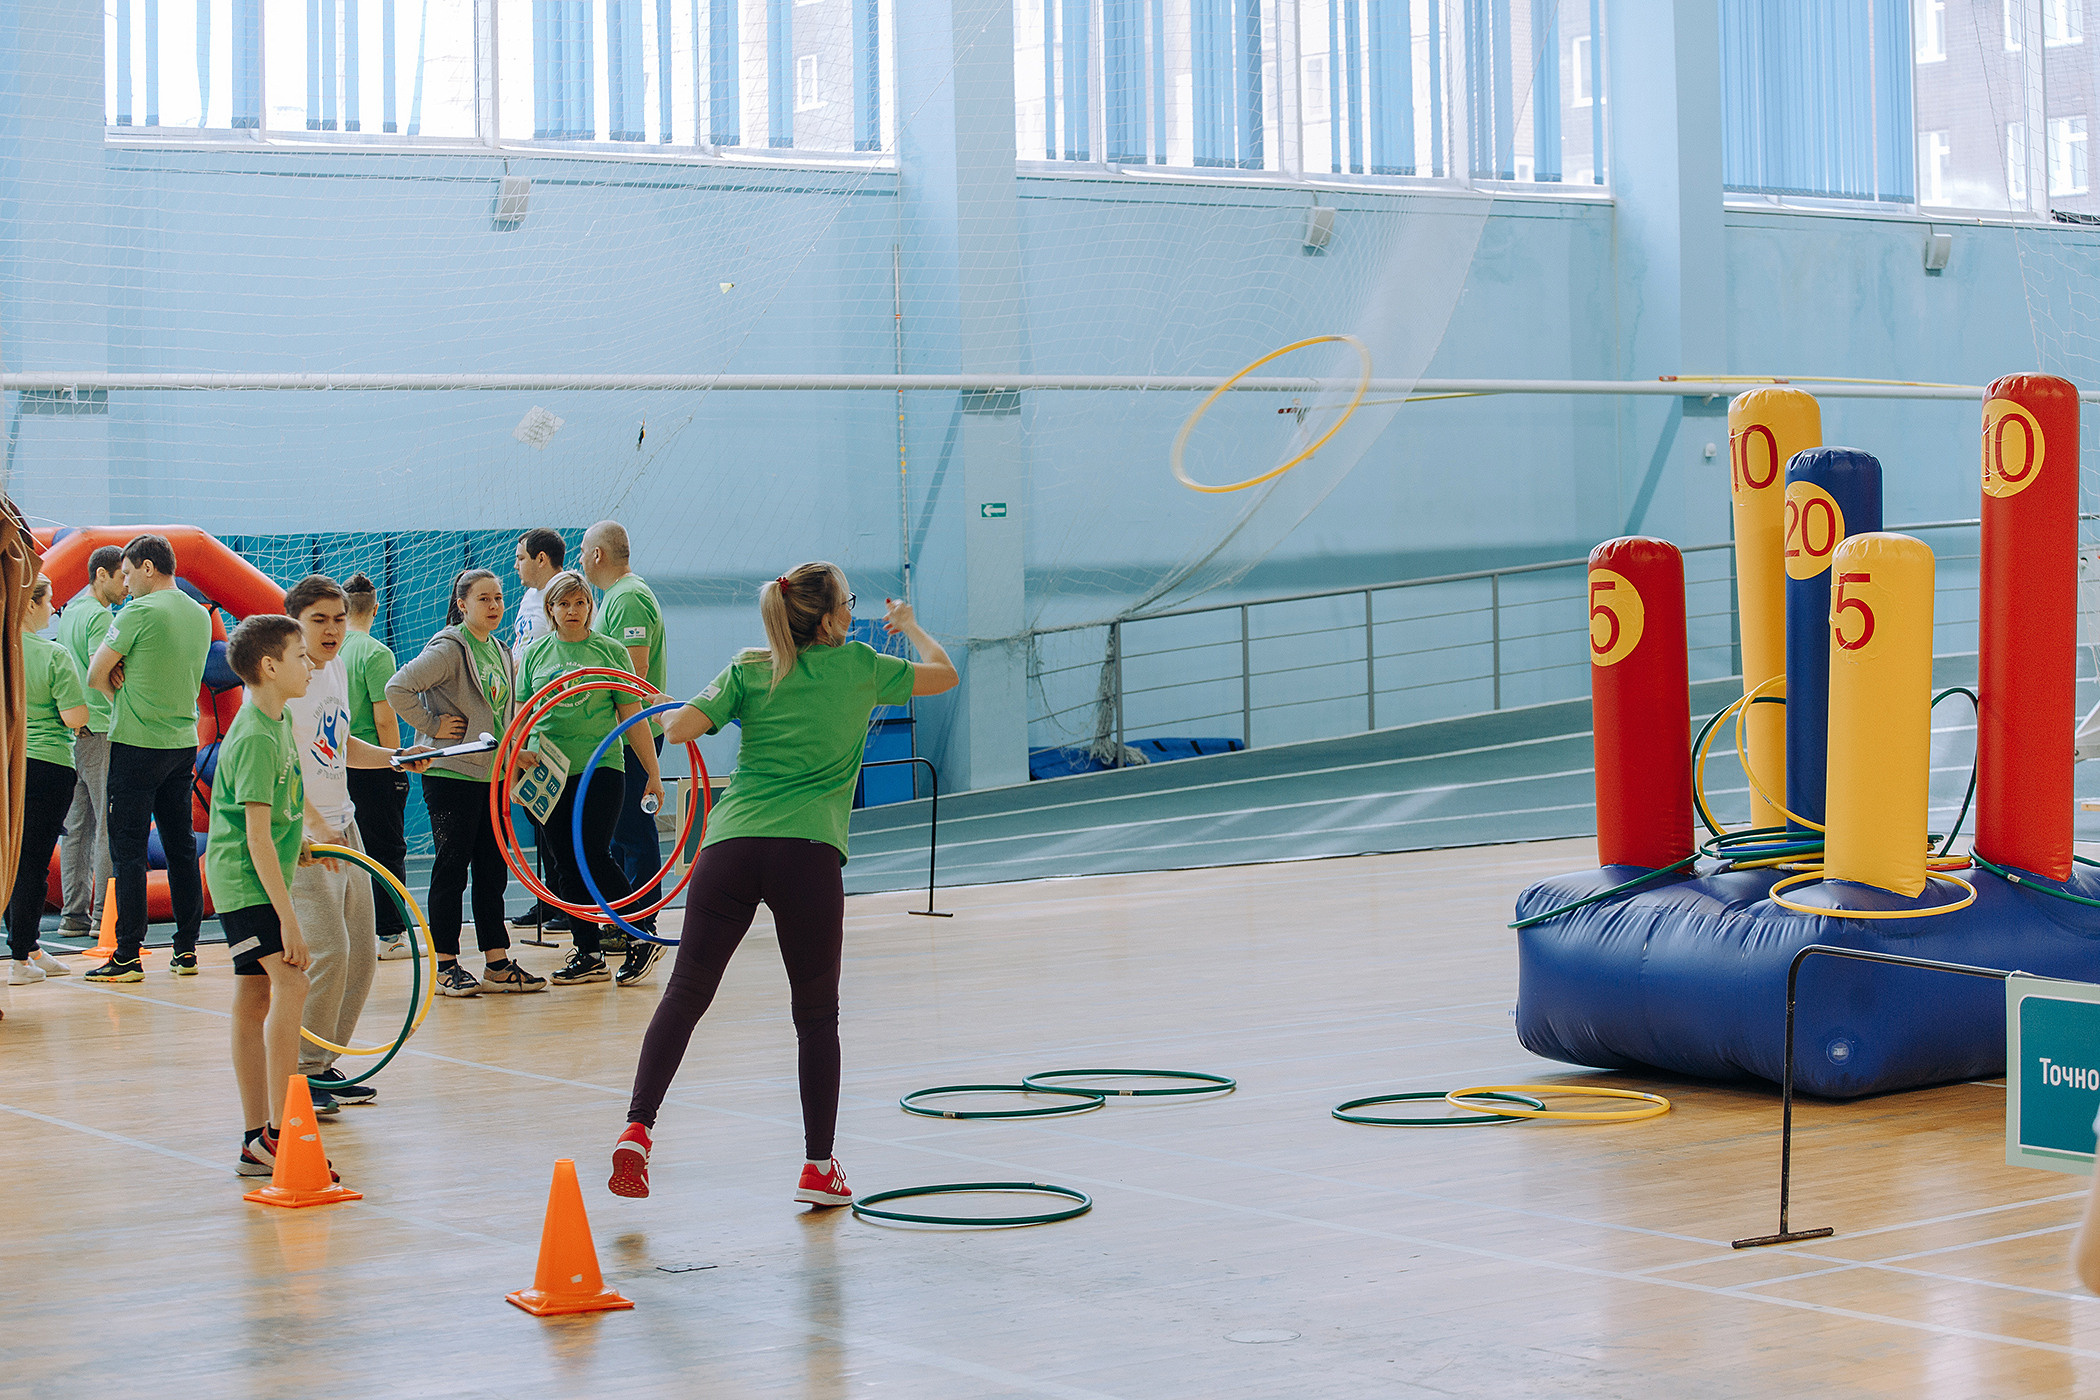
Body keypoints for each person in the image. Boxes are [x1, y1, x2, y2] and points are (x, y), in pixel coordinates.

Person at [609, 565, 957, 1204]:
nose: (853, 611)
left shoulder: (749, 666)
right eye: (848, 603)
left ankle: (637, 1129)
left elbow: (677, 728)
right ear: (828, 620)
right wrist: (909, 627)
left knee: (685, 993)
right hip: (808, 854)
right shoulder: (861, 664)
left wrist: (710, 703)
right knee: (817, 1016)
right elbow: (946, 675)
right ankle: (818, 1167)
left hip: (731, 846)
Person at [280, 576, 434, 1112]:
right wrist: (305, 827)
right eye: (319, 619)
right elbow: (276, 770)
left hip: (346, 827)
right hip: (304, 837)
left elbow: (339, 745)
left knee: (363, 957)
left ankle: (323, 1065)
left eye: (339, 619)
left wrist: (397, 757)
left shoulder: (339, 668)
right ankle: (299, 1073)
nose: (331, 629)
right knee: (328, 953)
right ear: (295, 621)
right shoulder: (286, 682)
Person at [386, 569, 546, 997]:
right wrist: (433, 725)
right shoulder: (449, 649)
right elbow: (397, 687)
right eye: (483, 599)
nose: (494, 606)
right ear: (462, 605)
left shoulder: (499, 648)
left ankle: (496, 962)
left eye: (498, 598)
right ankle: (446, 965)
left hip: (490, 776)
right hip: (452, 775)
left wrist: (513, 754)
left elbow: (499, 717)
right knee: (452, 868)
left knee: (492, 871)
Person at [209, 614, 319, 1178]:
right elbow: (253, 835)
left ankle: (256, 1139)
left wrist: (300, 836)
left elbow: (276, 811)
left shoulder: (278, 723)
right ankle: (278, 1129)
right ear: (269, 667)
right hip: (245, 881)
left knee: (255, 998)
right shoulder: (253, 733)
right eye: (301, 655)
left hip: (257, 874)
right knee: (293, 980)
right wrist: (289, 919)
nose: (311, 663)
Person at [518, 571, 667, 986]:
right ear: (550, 609)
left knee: (594, 854)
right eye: (563, 604)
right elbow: (520, 715)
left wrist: (652, 773)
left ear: (589, 607)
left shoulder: (610, 651)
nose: (572, 611)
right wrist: (515, 763)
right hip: (548, 771)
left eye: (580, 603)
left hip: (601, 767)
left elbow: (630, 716)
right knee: (564, 864)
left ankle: (641, 935)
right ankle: (588, 952)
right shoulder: (533, 654)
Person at [85, 534, 213, 982]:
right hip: (182, 745)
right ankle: (187, 950)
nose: (125, 584)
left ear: (147, 568)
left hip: (137, 745)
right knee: (181, 850)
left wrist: (117, 688)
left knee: (129, 853)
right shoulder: (200, 615)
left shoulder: (138, 612)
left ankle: (127, 955)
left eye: (127, 573)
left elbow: (95, 673)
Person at [581, 519, 668, 971]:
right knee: (616, 836)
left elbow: (630, 677)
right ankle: (624, 923)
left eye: (582, 551)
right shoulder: (615, 598)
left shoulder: (628, 598)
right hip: (613, 740)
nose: (579, 559)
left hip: (631, 737)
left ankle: (643, 924)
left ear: (597, 554)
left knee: (633, 831)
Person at [10, 576, 90, 984]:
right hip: (48, 765)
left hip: (10, 765)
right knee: (32, 865)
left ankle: (31, 950)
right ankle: (20, 959)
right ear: (29, 605)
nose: (53, 610)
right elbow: (77, 717)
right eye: (49, 602)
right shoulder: (53, 654)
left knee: (12, 861)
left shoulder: (7, 652)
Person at [340, 573, 413, 961]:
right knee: (386, 850)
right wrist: (396, 764)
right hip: (371, 766)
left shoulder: (331, 652)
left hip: (336, 766)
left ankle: (353, 933)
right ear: (377, 607)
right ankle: (389, 934)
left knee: (349, 851)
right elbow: (385, 719)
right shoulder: (374, 652)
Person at [54, 545, 124, 935]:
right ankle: (103, 916)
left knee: (78, 827)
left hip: (75, 733)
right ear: (101, 575)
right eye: (121, 576)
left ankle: (73, 915)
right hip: (100, 728)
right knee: (106, 825)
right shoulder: (99, 617)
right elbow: (105, 674)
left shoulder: (71, 614)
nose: (126, 585)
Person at [510, 529, 571, 938]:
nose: (516, 565)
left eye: (521, 558)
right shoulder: (529, 599)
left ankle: (569, 903)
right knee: (539, 814)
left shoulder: (563, 600)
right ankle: (549, 896)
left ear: (542, 558)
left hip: (553, 722)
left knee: (560, 820)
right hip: (525, 714)